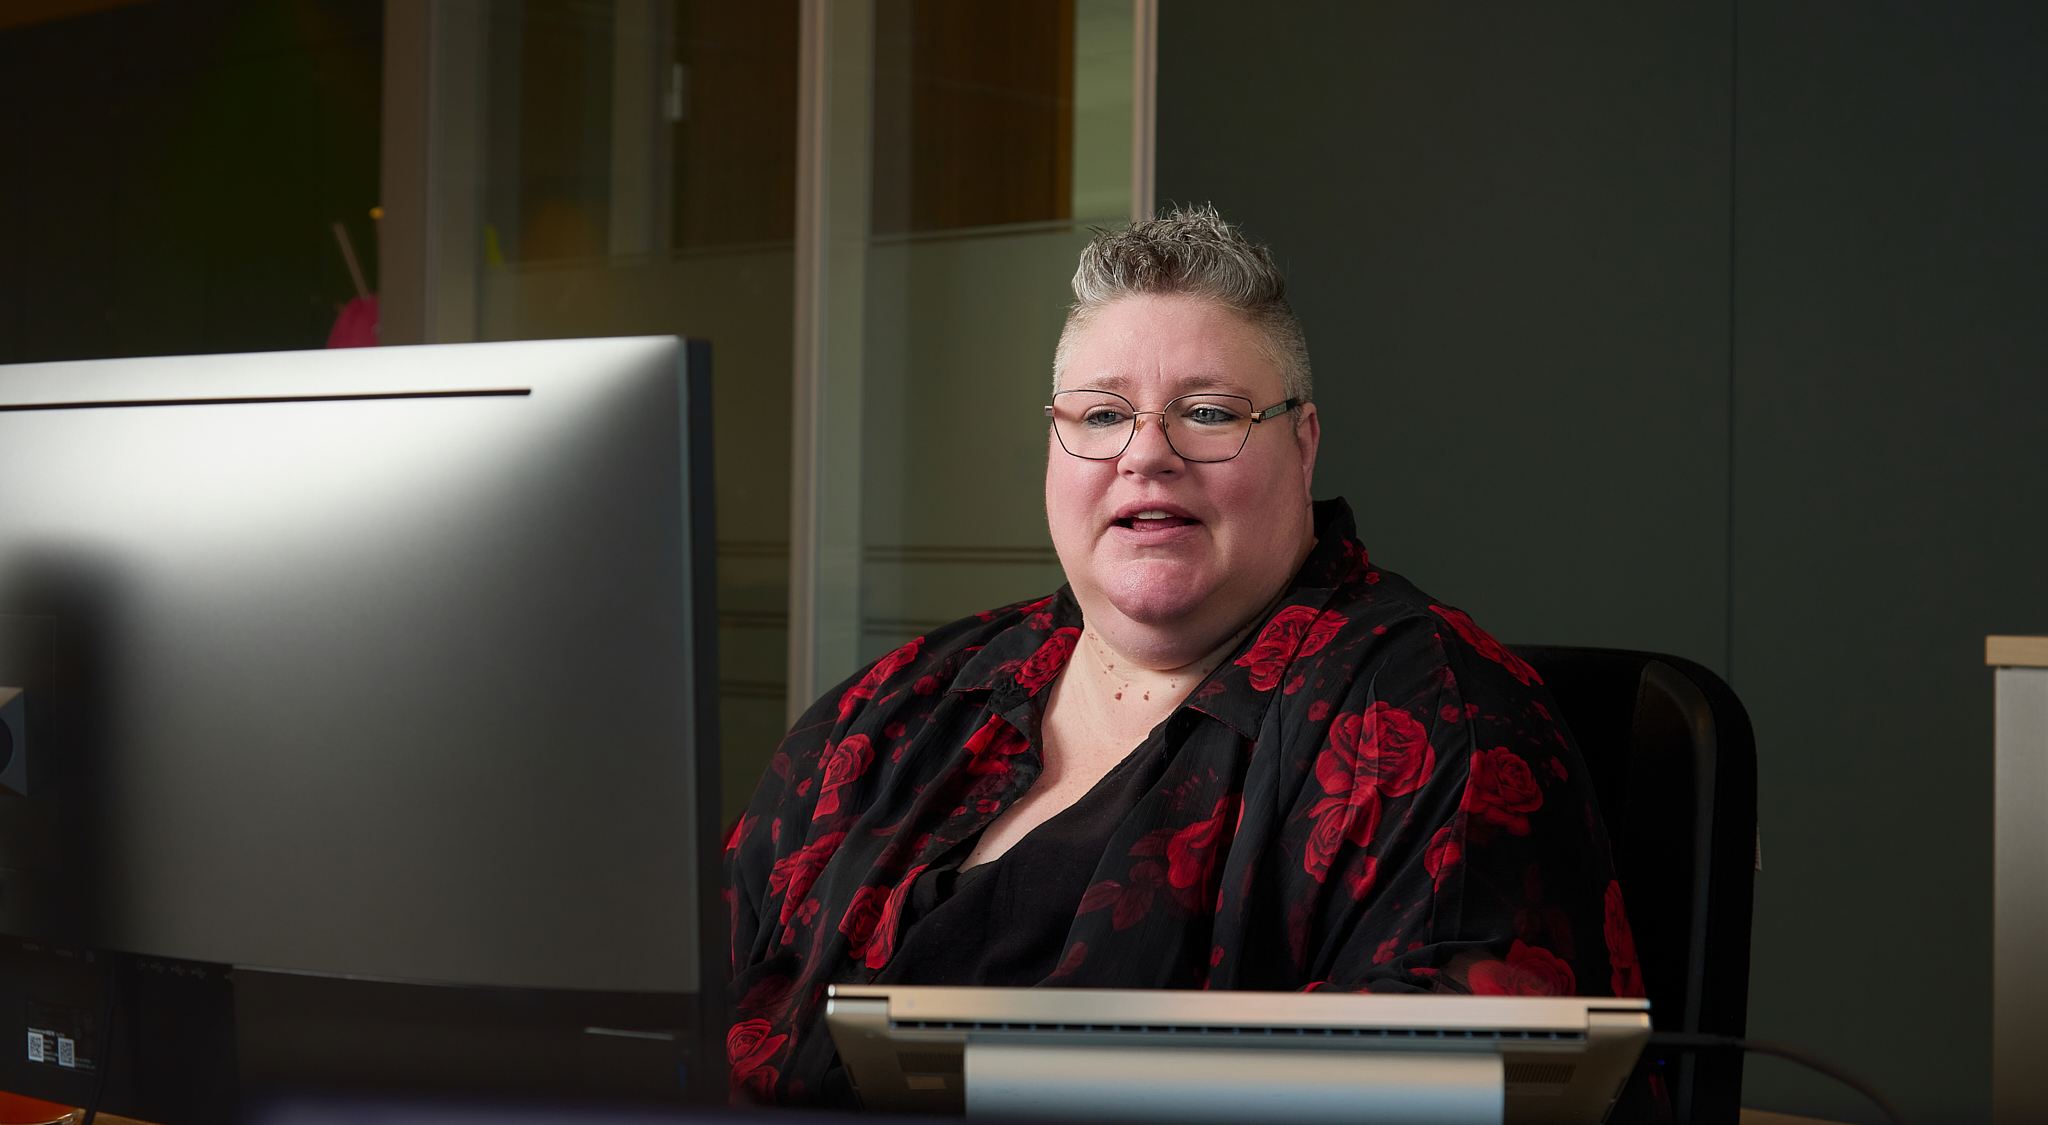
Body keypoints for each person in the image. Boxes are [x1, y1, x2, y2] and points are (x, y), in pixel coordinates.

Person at [723, 204, 1643, 1106]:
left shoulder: (1435, 717)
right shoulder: (896, 704)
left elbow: (1451, 1090)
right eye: (1100, 414)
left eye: (1207, 412)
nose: (1146, 454)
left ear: (1303, 444)